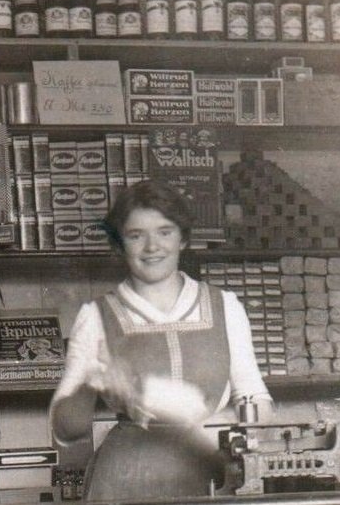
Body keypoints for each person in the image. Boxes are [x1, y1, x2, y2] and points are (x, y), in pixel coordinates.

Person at [50, 180, 273, 502]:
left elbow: (255, 400)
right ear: (119, 245)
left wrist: (232, 434)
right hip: (127, 481)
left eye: (165, 232)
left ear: (183, 239)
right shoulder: (95, 315)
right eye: (136, 235)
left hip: (210, 474)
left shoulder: (226, 306)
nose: (152, 246)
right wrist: (90, 384)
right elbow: (66, 431)